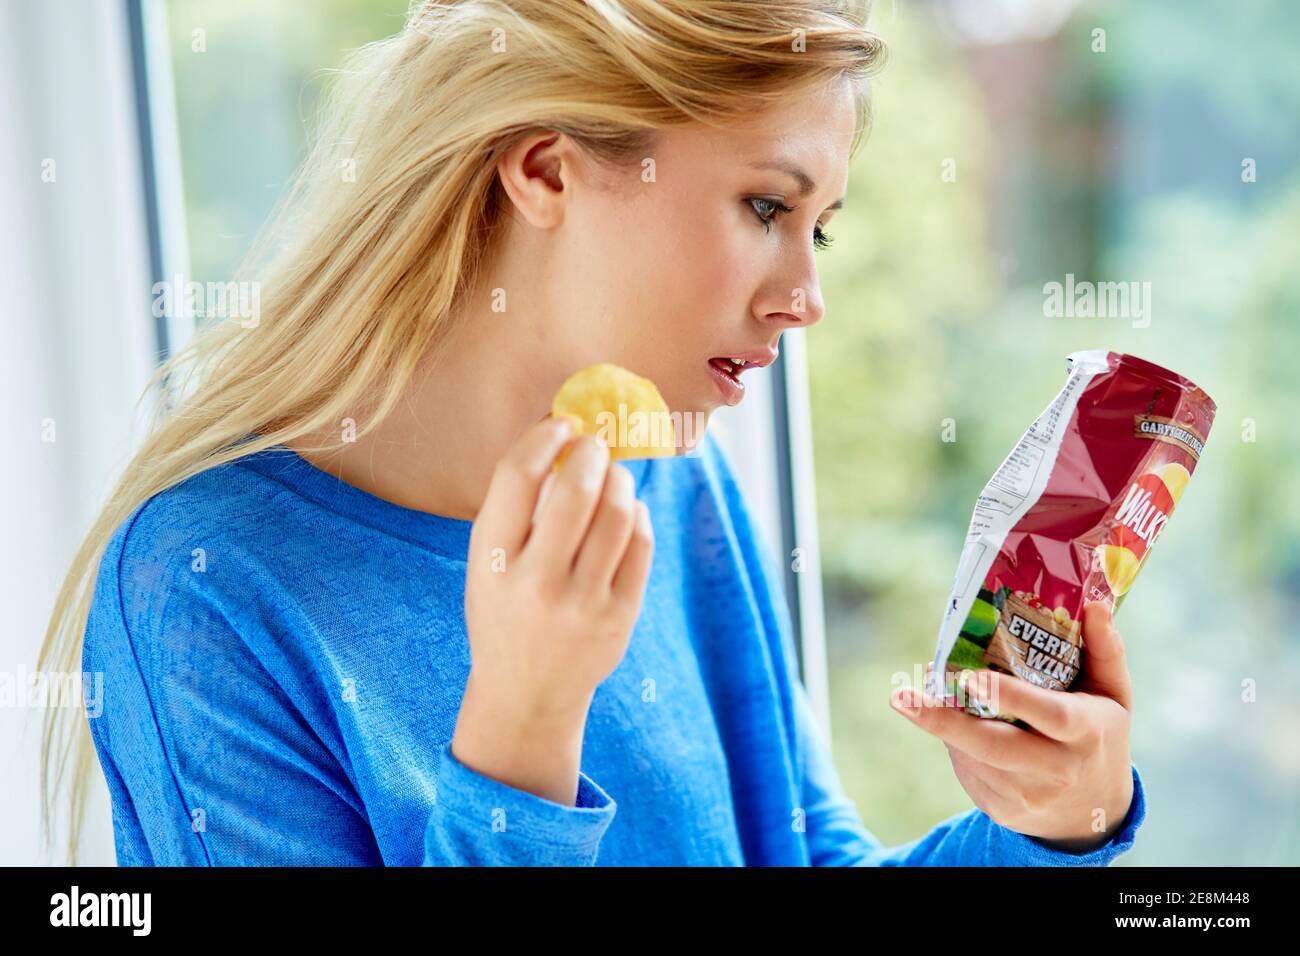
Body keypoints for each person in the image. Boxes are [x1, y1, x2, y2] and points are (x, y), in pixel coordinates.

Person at [42, 0, 1145, 865]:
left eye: (821, 228)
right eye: (768, 207)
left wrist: (1052, 827)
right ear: (544, 170)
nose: (808, 295)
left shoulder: (670, 481)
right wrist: (522, 729)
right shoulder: (208, 585)